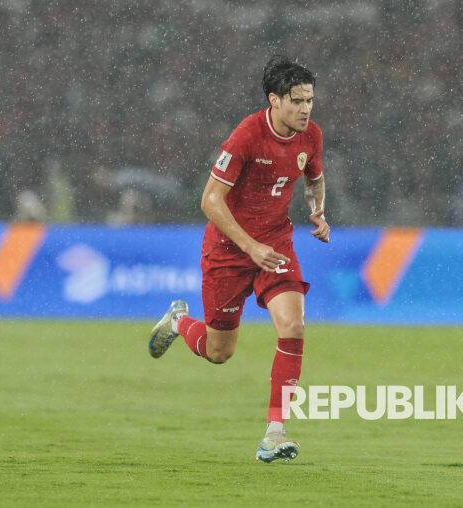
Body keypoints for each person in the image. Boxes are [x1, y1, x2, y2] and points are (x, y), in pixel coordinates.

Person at [148, 56, 330, 462]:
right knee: (218, 352)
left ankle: (275, 433)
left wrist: (317, 211)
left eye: (310, 101)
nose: (305, 109)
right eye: (297, 101)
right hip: (229, 252)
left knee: (294, 326)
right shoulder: (247, 135)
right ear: (274, 100)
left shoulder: (310, 136)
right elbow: (209, 200)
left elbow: (314, 179)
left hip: (276, 246)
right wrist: (249, 246)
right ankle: (179, 320)